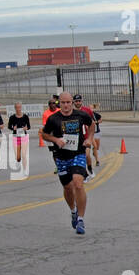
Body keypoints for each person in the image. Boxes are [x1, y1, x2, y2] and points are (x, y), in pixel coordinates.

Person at [40, 92, 95, 234]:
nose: (66, 105)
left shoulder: (81, 115)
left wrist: (89, 139)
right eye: (63, 103)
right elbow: (44, 134)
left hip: (78, 153)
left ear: (72, 103)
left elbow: (92, 124)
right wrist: (56, 140)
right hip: (61, 156)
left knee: (78, 183)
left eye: (68, 102)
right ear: (60, 104)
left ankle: (81, 220)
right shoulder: (53, 118)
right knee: (68, 188)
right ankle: (73, 211)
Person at [7, 102, 31, 172]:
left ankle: (24, 170)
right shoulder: (12, 117)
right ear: (15, 108)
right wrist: (13, 128)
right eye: (17, 107)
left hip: (24, 136)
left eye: (19, 107)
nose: (18, 109)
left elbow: (29, 126)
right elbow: (9, 126)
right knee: (17, 157)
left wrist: (26, 128)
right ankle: (18, 161)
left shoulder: (25, 116)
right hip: (15, 137)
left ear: (21, 108)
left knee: (23, 155)